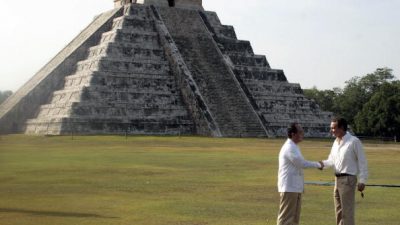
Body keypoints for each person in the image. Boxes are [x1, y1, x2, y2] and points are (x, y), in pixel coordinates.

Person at [321, 117, 368, 225]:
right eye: (331, 128)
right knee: (339, 212)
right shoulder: (336, 142)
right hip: (337, 180)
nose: (331, 130)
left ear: (341, 128)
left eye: (333, 128)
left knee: (347, 212)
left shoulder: (354, 141)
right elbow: (331, 160)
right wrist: (321, 164)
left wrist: (362, 180)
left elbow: (362, 161)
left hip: (348, 179)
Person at [277, 123, 323, 225]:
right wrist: (318, 164)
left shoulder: (294, 146)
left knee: (294, 219)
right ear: (293, 134)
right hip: (289, 187)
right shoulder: (290, 147)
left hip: (295, 187)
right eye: (300, 132)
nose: (303, 134)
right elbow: (302, 163)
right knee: (286, 219)